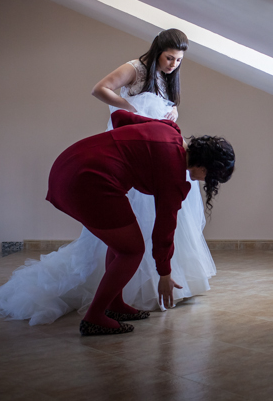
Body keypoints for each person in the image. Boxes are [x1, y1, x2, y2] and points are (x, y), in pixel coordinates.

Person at [0, 29, 215, 325]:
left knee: (127, 241)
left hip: (140, 160)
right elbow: (102, 91)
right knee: (131, 245)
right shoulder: (137, 69)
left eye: (179, 60)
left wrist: (168, 118)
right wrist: (135, 111)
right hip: (115, 169)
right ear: (158, 51)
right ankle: (97, 316)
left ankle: (116, 302)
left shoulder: (166, 83)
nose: (173, 64)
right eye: (169, 57)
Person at [46, 110, 234, 335]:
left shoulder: (169, 130)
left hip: (68, 164)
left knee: (122, 244)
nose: (206, 182)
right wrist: (165, 275)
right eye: (211, 178)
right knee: (132, 251)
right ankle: (94, 318)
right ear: (204, 167)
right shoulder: (173, 175)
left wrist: (128, 151)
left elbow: (120, 117)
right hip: (87, 180)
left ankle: (115, 305)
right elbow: (164, 230)